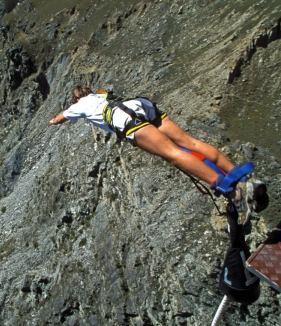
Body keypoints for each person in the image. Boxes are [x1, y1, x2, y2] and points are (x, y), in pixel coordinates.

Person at [49, 86, 268, 226]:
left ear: (77, 98)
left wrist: (52, 121)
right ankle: (244, 180)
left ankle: (234, 195)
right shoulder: (101, 93)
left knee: (174, 154)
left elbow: (61, 118)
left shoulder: (79, 105)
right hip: (140, 105)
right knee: (190, 143)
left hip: (126, 120)